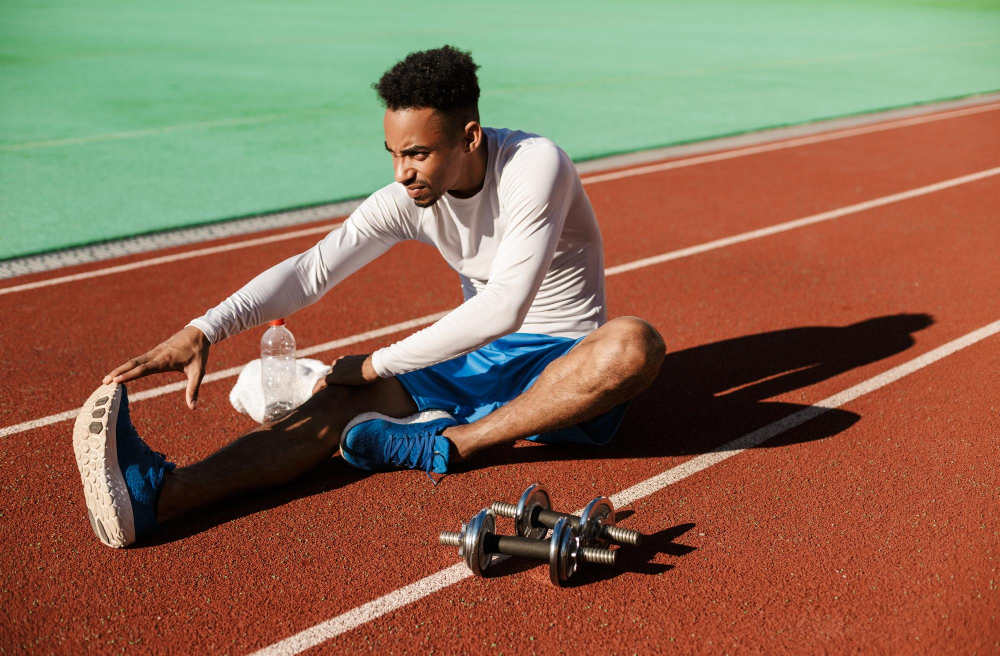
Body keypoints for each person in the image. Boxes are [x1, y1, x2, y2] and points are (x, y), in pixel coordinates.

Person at [73, 45, 666, 548]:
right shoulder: (406, 198)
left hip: (563, 361)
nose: (402, 172)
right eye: (393, 153)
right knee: (333, 405)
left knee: (634, 345)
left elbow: (506, 306)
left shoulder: (536, 165)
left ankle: (452, 442)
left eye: (417, 154)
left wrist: (375, 362)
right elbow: (311, 271)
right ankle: (161, 497)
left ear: (469, 136)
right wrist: (205, 328)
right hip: (478, 363)